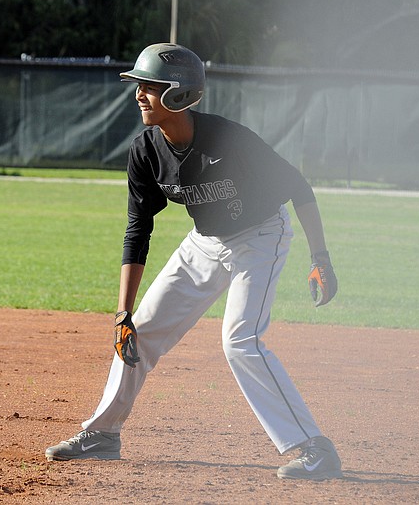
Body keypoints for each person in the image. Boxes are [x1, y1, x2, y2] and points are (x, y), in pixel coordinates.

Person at [45, 43, 342, 480]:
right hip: (205, 241)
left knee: (240, 340)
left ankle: (315, 449)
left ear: (179, 94)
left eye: (150, 86)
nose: (139, 95)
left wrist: (321, 258)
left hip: (261, 236)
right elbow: (137, 231)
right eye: (139, 86)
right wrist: (123, 311)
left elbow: (299, 188)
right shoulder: (146, 151)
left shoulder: (229, 138)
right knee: (139, 334)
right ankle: (104, 434)